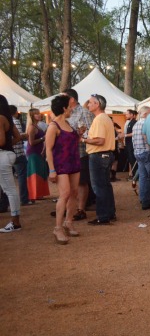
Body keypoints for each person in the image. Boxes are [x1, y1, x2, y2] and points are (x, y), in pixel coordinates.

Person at [45, 95, 81, 245]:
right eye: (70, 106)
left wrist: (80, 134)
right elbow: (48, 150)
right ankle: (57, 228)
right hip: (61, 165)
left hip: (74, 162)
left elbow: (72, 142)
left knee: (74, 193)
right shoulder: (53, 127)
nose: (72, 109)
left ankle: (68, 222)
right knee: (65, 194)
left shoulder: (68, 124)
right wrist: (52, 170)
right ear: (64, 108)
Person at [83, 94, 116, 225]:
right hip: (105, 155)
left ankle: (102, 216)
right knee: (105, 186)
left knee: (99, 187)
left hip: (98, 155)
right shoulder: (105, 118)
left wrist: (83, 139)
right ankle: (109, 213)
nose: (88, 104)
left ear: (97, 104)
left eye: (90, 102)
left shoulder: (99, 119)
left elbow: (99, 140)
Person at [65, 88, 95, 221]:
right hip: (67, 153)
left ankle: (81, 209)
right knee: (69, 182)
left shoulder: (85, 113)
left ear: (71, 99)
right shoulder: (66, 113)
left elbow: (91, 132)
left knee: (81, 182)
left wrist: (78, 136)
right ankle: (68, 208)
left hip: (81, 152)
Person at [0, 95, 22, 232]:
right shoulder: (8, 119)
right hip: (8, 154)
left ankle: (15, 221)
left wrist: (6, 145)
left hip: (2, 155)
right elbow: (19, 137)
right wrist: (9, 145)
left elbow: (1, 141)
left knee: (9, 190)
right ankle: (15, 220)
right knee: (10, 189)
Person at [25, 108, 50, 201]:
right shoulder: (31, 127)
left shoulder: (37, 126)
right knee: (35, 173)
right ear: (32, 116)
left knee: (40, 172)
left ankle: (39, 193)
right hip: (33, 152)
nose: (39, 115)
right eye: (36, 114)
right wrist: (43, 138)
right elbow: (31, 142)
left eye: (39, 113)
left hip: (38, 152)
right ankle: (35, 194)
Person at [9, 106, 30, 206]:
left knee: (7, 179)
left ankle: (5, 202)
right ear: (16, 112)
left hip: (8, 153)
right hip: (18, 153)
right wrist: (25, 135)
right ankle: (24, 199)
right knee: (22, 177)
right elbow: (19, 135)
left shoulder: (5, 121)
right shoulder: (15, 121)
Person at [123, 109, 137, 179]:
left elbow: (134, 133)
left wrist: (125, 135)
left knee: (133, 160)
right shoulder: (130, 122)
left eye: (127, 114)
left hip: (132, 145)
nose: (126, 115)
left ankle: (135, 176)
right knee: (131, 160)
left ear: (132, 114)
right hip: (128, 145)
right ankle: (133, 175)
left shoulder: (134, 122)